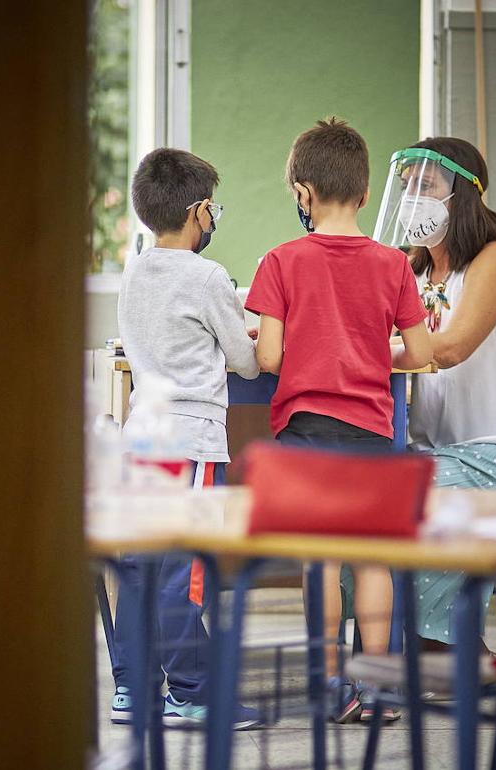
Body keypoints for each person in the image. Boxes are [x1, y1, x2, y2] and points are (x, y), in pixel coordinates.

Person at [245, 117, 432, 723]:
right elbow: (422, 355)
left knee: (320, 559)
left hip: (307, 432)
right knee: (372, 557)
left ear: (303, 192)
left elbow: (269, 357)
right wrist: (373, 354)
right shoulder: (394, 265)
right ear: (365, 192)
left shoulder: (280, 261)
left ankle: (332, 686)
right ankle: (375, 688)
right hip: (375, 430)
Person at [372, 136, 496, 650]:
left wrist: (362, 352)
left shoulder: (495, 260)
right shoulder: (414, 269)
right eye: (406, 186)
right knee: (363, 495)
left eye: (427, 184)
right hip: (447, 449)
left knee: (417, 498)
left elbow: (452, 347)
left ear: (463, 192)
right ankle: (393, 641)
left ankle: (451, 649)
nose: (412, 196)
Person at [111, 147, 262, 731]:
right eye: (213, 209)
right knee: (183, 572)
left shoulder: (135, 271)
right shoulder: (207, 277)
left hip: (142, 436)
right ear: (200, 211)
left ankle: (131, 685)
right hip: (190, 440)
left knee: (140, 566)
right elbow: (249, 362)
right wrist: (248, 332)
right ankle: (193, 691)